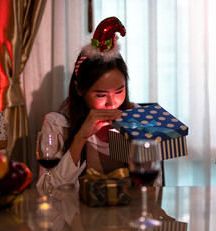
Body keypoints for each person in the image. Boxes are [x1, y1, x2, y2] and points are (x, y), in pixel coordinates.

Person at [37, 17, 139, 189]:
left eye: (119, 91)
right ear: (79, 89)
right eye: (101, 95)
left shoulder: (136, 116)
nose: (112, 103)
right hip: (78, 215)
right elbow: (46, 190)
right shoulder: (57, 125)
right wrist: (81, 136)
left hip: (126, 214)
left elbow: (152, 187)